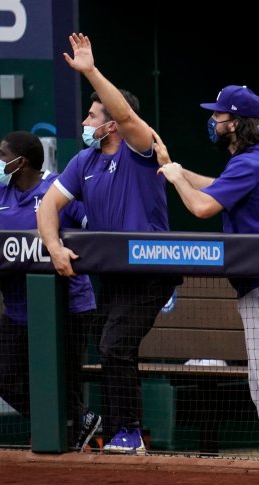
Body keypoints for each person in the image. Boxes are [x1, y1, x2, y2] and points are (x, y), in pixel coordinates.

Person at [37, 33, 180, 455]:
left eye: (92, 114)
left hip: (151, 270)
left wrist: (90, 71)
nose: (84, 122)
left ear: (112, 123)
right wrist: (55, 247)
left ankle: (130, 431)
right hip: (111, 274)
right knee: (113, 348)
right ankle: (123, 431)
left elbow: (126, 114)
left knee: (114, 345)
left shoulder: (141, 147)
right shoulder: (86, 161)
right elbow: (48, 206)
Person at [156, 85, 259, 460]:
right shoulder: (252, 160)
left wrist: (176, 180)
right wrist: (178, 169)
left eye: (218, 116)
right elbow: (218, 189)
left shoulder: (251, 162)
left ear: (234, 124)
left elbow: (202, 207)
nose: (213, 122)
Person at [0, 130, 101, 450]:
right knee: (1, 374)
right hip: (18, 311)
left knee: (65, 381)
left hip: (67, 307)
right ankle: (70, 420)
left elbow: (98, 229)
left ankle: (73, 436)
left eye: (2, 154)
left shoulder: (59, 190)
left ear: (20, 162)